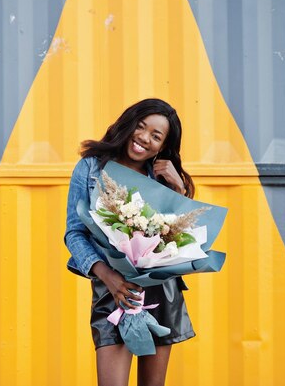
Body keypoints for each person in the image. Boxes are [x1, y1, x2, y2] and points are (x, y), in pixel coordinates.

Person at [64, 98, 196, 386]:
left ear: (162, 146)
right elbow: (74, 233)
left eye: (156, 136)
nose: (144, 138)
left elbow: (184, 238)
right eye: (141, 127)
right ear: (128, 124)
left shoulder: (162, 176)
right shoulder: (90, 167)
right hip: (113, 291)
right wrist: (108, 276)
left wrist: (179, 188)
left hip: (161, 291)